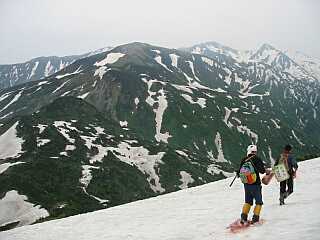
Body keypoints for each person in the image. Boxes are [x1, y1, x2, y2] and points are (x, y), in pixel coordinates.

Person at [237, 144, 270, 224]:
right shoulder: (257, 158)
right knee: (259, 202)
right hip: (255, 184)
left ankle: (243, 217)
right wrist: (267, 171)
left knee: (248, 201)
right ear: (255, 151)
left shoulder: (244, 159)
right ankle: (255, 219)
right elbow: (262, 171)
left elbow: (239, 173)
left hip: (246, 184)